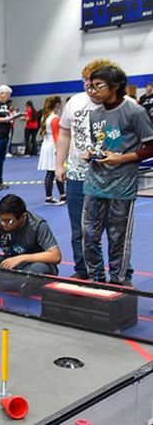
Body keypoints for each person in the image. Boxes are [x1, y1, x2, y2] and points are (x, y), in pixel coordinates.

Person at [82, 65, 153, 285]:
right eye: (90, 86)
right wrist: (92, 153)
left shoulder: (135, 112)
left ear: (115, 86)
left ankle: (118, 280)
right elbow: (101, 143)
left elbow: (150, 147)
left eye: (98, 86)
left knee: (117, 237)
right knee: (89, 234)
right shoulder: (95, 114)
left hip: (122, 186)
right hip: (95, 183)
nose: (92, 91)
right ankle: (96, 278)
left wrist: (121, 158)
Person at [56, 58, 120, 279]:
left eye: (94, 82)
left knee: (113, 229)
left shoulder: (117, 104)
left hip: (109, 175)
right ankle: (82, 270)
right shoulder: (74, 102)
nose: (88, 86)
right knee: (79, 228)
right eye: (85, 81)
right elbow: (64, 133)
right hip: (77, 172)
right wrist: (59, 164)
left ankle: (120, 274)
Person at [37, 96, 65, 205]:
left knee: (52, 171)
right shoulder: (55, 118)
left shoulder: (45, 117)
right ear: (57, 104)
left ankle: (62, 194)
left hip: (46, 144)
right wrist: (61, 149)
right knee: (54, 171)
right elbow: (56, 135)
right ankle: (49, 197)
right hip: (53, 146)